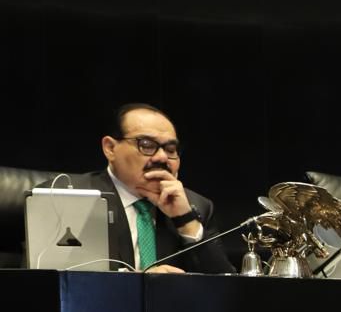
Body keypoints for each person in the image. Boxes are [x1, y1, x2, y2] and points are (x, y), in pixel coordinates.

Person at [46, 103, 233, 273]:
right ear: (110, 148)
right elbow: (47, 281)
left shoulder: (196, 206)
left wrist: (185, 220)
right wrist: (138, 281)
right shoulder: (63, 198)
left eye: (170, 150)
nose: (162, 157)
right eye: (147, 145)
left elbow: (225, 288)